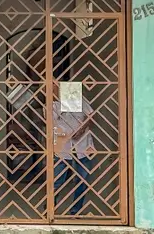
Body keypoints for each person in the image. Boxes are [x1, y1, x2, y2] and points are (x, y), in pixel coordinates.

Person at [52, 82, 94, 215]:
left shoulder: (81, 100)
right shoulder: (54, 105)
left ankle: (76, 211)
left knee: (82, 180)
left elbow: (91, 116)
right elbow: (49, 122)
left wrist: (82, 129)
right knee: (57, 180)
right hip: (62, 146)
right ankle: (50, 208)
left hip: (82, 145)